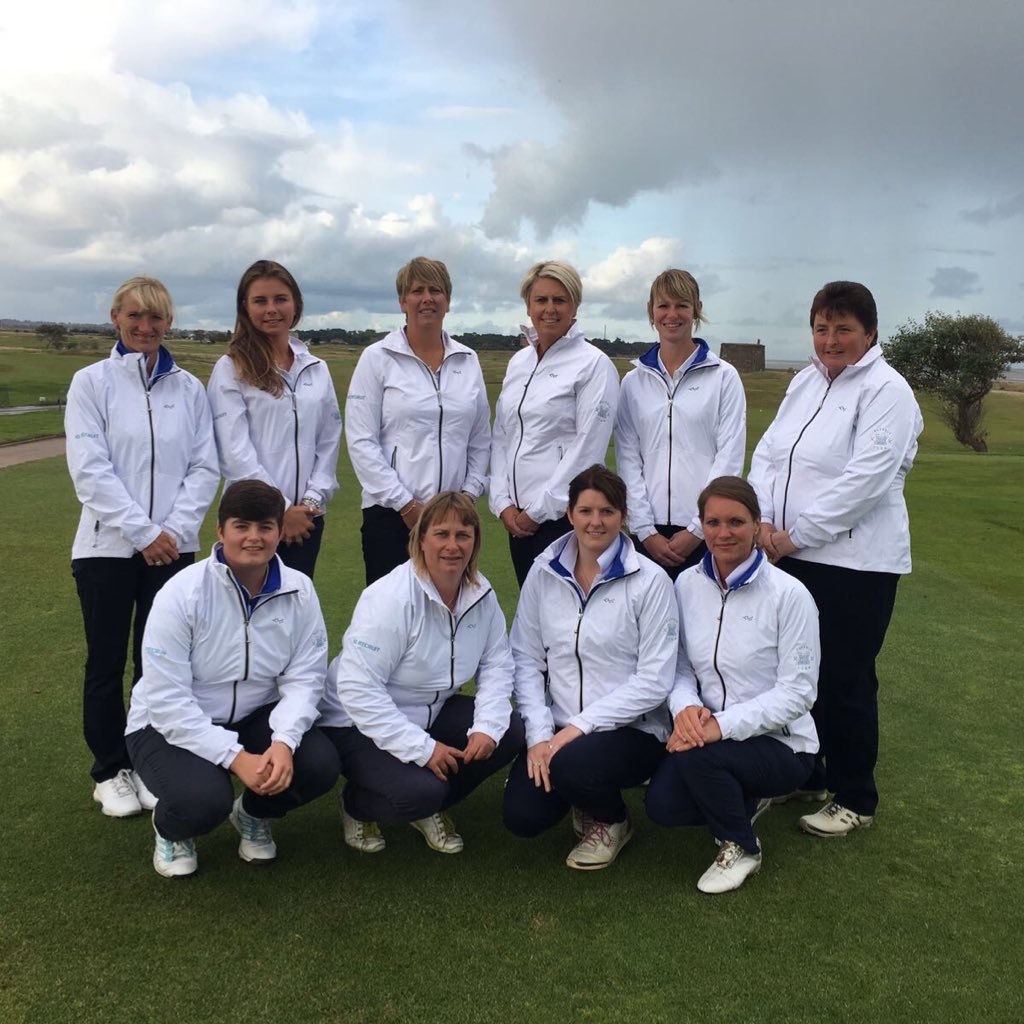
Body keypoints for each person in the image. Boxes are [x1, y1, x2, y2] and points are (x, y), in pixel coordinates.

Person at [749, 281, 923, 837]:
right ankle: (811, 772)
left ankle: (855, 798)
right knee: (801, 671)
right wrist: (762, 522)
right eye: (822, 328)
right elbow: (769, 453)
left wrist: (792, 536)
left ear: (869, 333)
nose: (831, 340)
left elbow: (863, 483)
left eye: (843, 329)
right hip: (790, 551)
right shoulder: (805, 381)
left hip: (855, 563)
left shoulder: (888, 390)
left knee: (846, 678)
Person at [125, 480, 340, 878]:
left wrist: (284, 741)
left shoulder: (300, 590)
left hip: (256, 714)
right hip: (166, 724)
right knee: (204, 801)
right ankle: (172, 830)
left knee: (319, 764)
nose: (254, 538)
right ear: (220, 531)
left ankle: (253, 814)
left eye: (265, 527)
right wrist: (236, 758)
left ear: (279, 532)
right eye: (242, 526)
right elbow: (167, 701)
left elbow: (305, 677)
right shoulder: (181, 593)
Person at [65, 276, 219, 819]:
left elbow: (205, 466)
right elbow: (91, 471)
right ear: (116, 318)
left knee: (159, 663)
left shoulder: (190, 389)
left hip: (174, 549)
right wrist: (143, 532)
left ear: (168, 324)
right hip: (106, 549)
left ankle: (150, 761)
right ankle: (110, 770)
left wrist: (171, 534)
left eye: (156, 318)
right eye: (135, 316)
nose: (145, 326)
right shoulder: (91, 383)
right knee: (106, 663)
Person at [319, 492, 524, 855]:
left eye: (463, 535)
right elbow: (358, 690)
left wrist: (487, 727)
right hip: (354, 723)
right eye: (441, 534)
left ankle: (434, 802)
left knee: (508, 730)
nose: (452, 545)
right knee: (420, 792)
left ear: (475, 540)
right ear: (421, 538)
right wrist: (423, 749)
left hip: (431, 710)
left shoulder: (482, 592)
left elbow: (496, 664)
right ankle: (356, 804)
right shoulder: (391, 598)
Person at [645, 477, 820, 893]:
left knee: (699, 758)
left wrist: (718, 727)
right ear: (701, 525)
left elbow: (798, 692)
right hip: (708, 734)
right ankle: (745, 795)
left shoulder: (790, 595)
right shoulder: (686, 584)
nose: (724, 533)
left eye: (736, 522)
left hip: (783, 745)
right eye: (713, 522)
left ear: (758, 526)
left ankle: (741, 846)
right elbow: (680, 662)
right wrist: (686, 709)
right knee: (663, 806)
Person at [503, 465, 677, 870]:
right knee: (523, 817)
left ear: (623, 515)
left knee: (572, 763)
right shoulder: (543, 570)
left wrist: (577, 730)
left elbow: (655, 681)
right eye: (585, 511)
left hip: (633, 732)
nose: (595, 522)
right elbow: (525, 657)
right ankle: (579, 790)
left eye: (607, 512)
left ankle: (613, 820)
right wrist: (539, 736)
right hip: (559, 731)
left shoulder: (651, 581)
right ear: (570, 514)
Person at [345, 257, 490, 584]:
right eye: (417, 291)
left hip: (454, 520)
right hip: (391, 515)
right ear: (402, 301)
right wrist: (406, 505)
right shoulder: (377, 358)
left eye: (436, 290)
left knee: (450, 611)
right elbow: (361, 440)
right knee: (390, 620)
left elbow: (480, 440)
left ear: (448, 301)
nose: (427, 298)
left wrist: (466, 497)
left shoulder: (468, 360)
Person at [207, 260, 341, 579]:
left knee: (292, 614)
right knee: (243, 616)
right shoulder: (231, 368)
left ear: (296, 304)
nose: (272, 309)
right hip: (251, 518)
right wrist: (280, 510)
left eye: (280, 299)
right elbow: (235, 452)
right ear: (245, 307)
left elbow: (329, 440)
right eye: (260, 301)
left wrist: (309, 502)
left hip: (306, 520)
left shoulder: (316, 368)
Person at [489, 261, 620, 587]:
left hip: (564, 518)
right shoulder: (519, 362)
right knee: (532, 620)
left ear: (574, 305)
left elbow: (588, 449)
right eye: (541, 300)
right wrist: (502, 503)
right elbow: (503, 435)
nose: (550, 309)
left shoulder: (594, 364)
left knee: (565, 618)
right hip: (517, 519)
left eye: (559, 300)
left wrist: (538, 511)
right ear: (528, 306)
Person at [615, 269, 746, 581]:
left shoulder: (724, 377)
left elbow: (728, 459)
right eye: (663, 306)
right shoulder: (633, 382)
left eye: (682, 305)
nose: (672, 315)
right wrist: (645, 531)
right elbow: (628, 460)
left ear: (696, 309)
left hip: (707, 534)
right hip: (648, 535)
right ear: (651, 311)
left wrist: (699, 529)